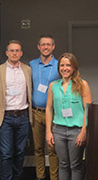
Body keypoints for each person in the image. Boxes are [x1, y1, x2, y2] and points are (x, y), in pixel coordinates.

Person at [46, 52, 92, 180]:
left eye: (68, 65)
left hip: (76, 131)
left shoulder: (83, 85)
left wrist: (84, 132)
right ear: (58, 67)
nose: (65, 68)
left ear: (74, 67)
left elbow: (88, 111)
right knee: (63, 164)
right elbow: (49, 109)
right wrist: (48, 132)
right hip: (58, 131)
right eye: (62, 65)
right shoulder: (53, 86)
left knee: (76, 165)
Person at [0, 40, 32, 180]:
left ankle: (17, 177)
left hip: (23, 116)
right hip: (6, 117)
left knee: (21, 152)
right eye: (12, 50)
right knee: (6, 153)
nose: (14, 53)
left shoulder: (27, 70)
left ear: (21, 53)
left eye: (17, 51)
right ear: (6, 53)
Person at [29, 34, 59, 180]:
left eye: (48, 44)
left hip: (54, 113)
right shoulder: (32, 65)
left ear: (53, 47)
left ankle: (54, 177)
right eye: (43, 44)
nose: (46, 47)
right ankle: (39, 177)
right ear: (38, 47)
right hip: (36, 113)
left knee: (53, 149)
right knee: (38, 149)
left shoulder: (60, 65)